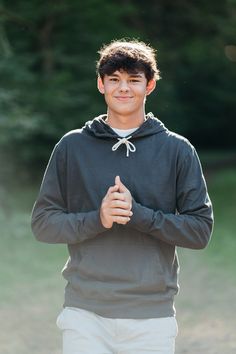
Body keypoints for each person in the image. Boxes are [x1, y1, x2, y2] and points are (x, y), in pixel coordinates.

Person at [31, 39, 214, 354]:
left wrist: (138, 215)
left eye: (133, 80)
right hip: (84, 313)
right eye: (114, 79)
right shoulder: (72, 147)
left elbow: (199, 231)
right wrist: (99, 219)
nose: (123, 88)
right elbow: (43, 224)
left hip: (152, 315)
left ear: (150, 85)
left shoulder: (177, 150)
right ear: (101, 85)